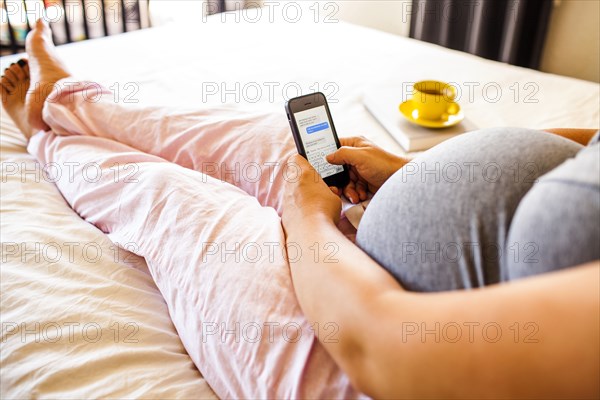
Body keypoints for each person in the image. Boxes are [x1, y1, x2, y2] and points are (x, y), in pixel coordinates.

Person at [2, 20, 598, 399]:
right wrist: (418, 172)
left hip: (366, 348)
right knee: (280, 143)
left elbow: (380, 349)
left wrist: (305, 221)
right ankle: (71, 103)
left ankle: (46, 135)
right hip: (377, 241)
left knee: (174, 201)